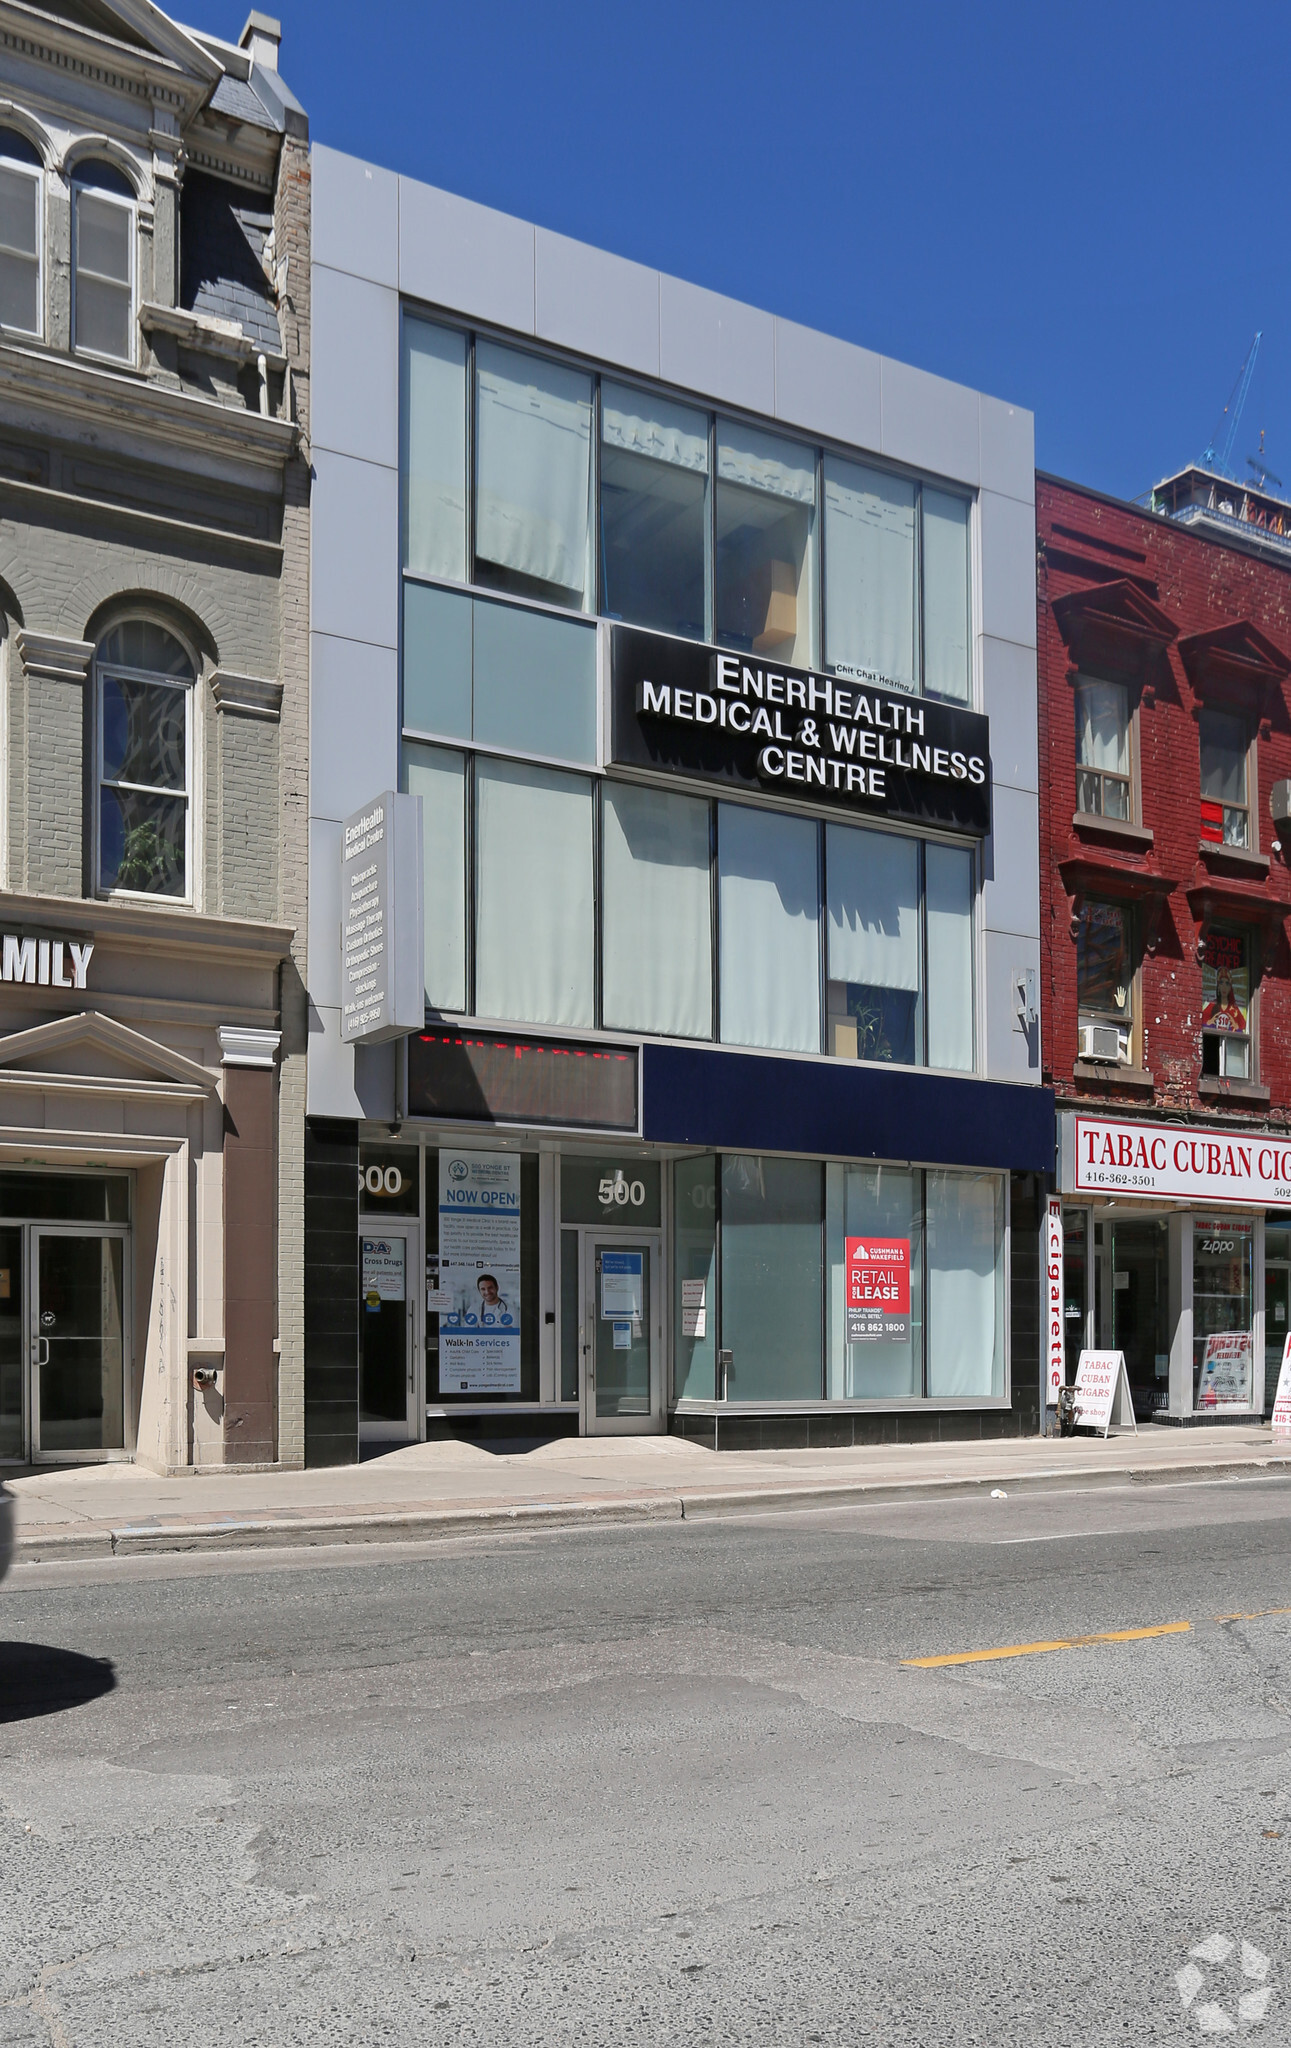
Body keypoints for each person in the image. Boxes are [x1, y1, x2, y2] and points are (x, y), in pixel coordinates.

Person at [1201, 967, 1245, 1034]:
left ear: (1230, 987)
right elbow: (1200, 1020)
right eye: (1221, 983)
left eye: (1227, 983)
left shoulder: (1234, 1009)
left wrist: (1236, 1027)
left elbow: (1244, 1027)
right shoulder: (1213, 1005)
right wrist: (1209, 1022)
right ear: (1218, 986)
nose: (1224, 987)